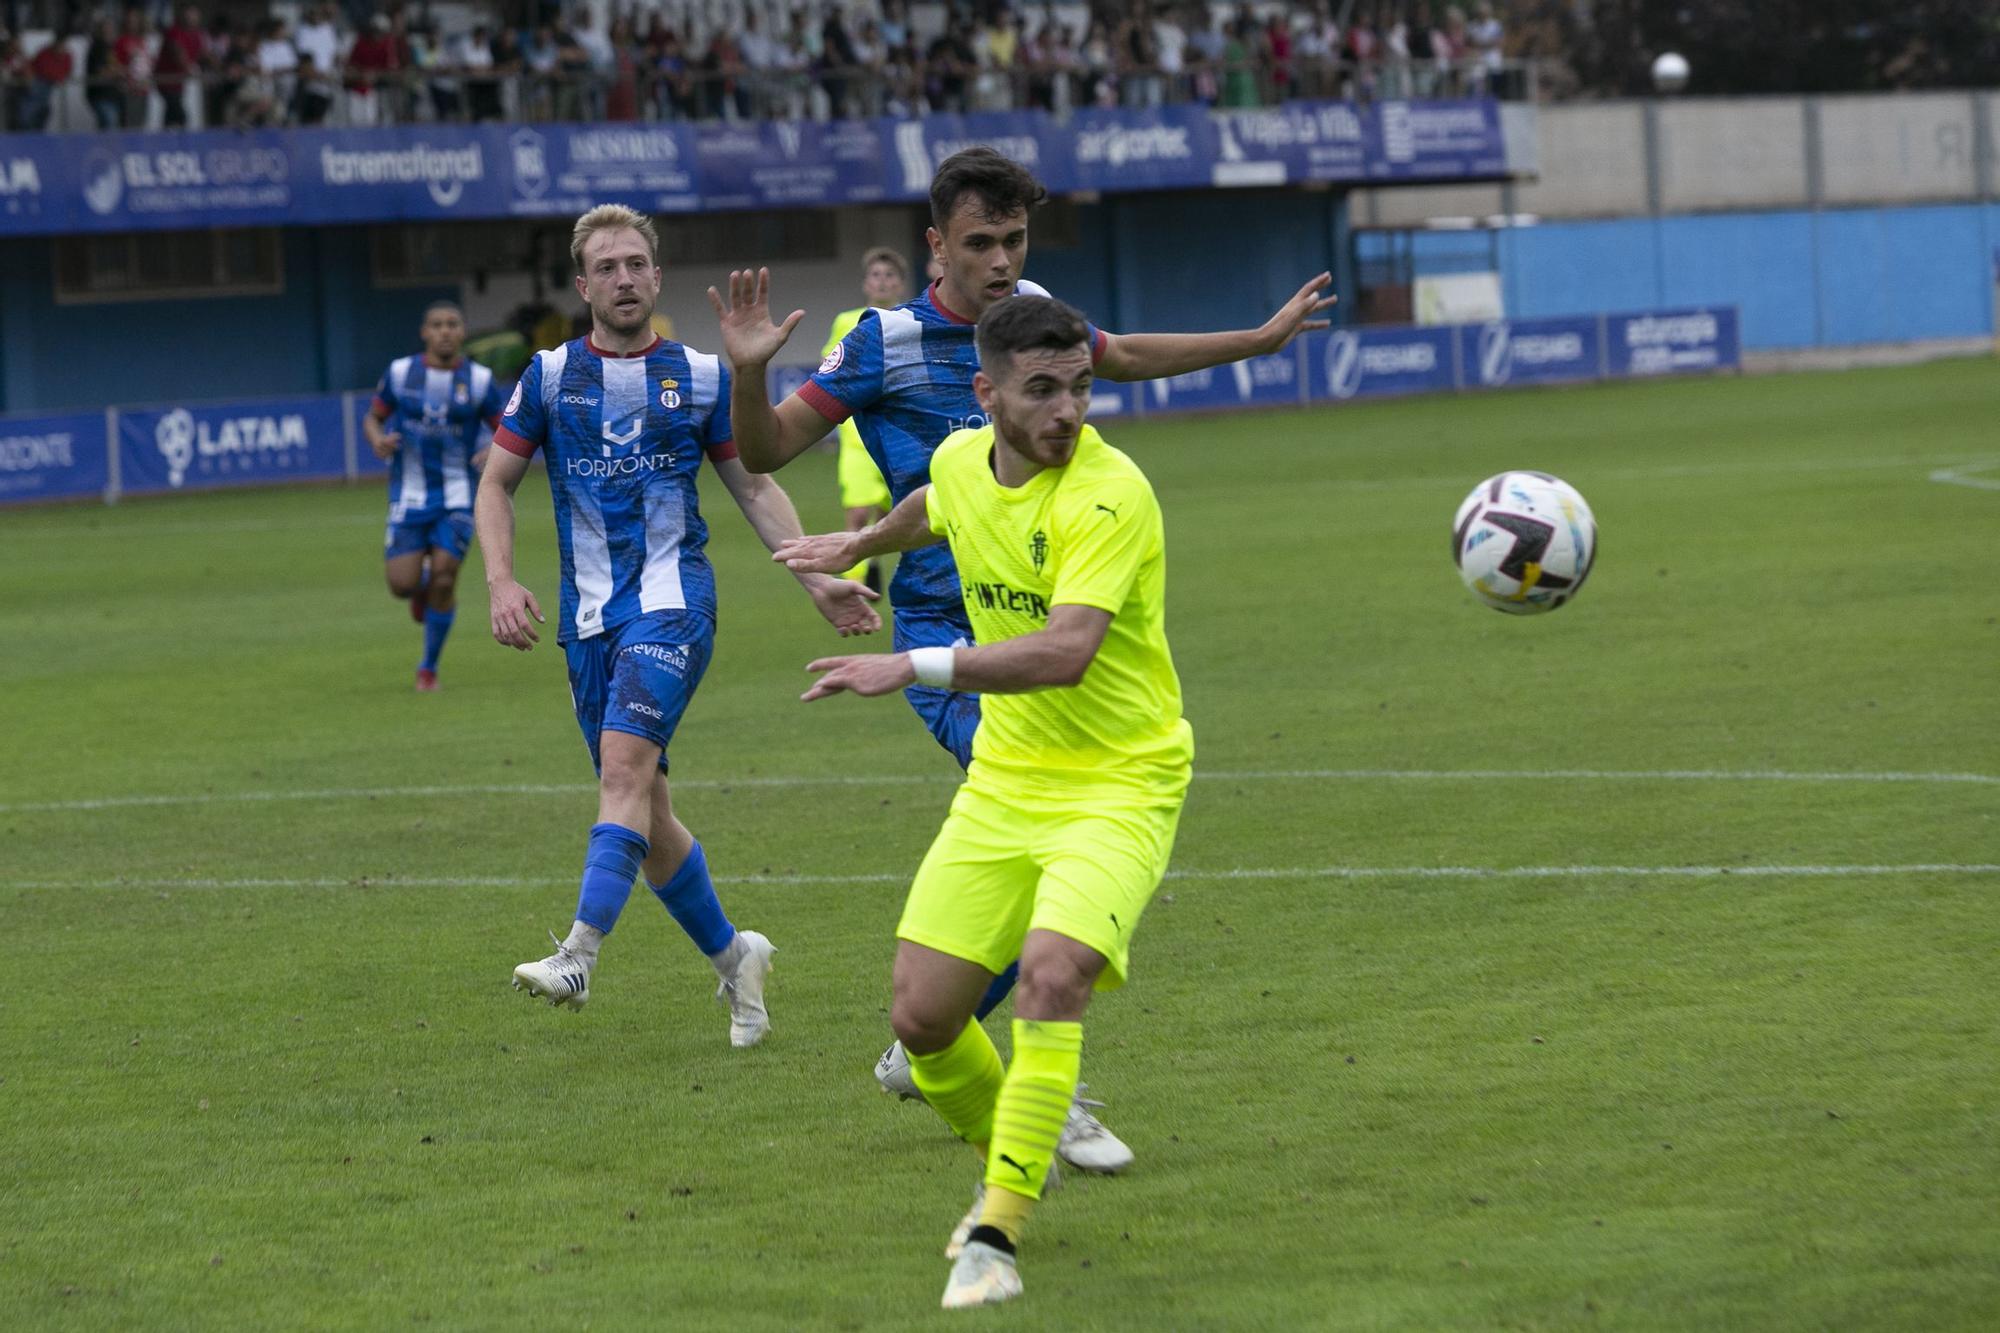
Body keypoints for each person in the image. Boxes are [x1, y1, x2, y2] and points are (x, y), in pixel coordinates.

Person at [710, 146, 1331, 1169]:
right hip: (954, 644)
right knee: (1040, 858)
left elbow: (1122, 352)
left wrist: (1256, 342)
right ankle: (1038, 1079)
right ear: (936, 244)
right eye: (981, 242)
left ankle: (940, 1041)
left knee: (1046, 867)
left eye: (1014, 241)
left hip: (1052, 628)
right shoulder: (883, 341)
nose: (1002, 262)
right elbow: (769, 447)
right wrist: (746, 372)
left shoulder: (1030, 321)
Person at [773, 294, 1191, 1309]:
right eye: (1041, 391)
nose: (1066, 412)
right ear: (987, 394)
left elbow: (1064, 652)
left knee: (1050, 975)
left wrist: (907, 666)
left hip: (1119, 781)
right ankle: (1018, 1136)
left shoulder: (1110, 493)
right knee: (921, 1020)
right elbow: (939, 505)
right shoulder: (962, 461)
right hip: (1006, 784)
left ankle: (994, 1230)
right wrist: (859, 540)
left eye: (1079, 388)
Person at [477, 204, 880, 1044]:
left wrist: (819, 576)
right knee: (648, 814)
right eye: (607, 267)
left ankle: (579, 952)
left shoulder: (698, 376)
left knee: (621, 769)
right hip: (588, 621)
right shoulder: (549, 377)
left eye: (637, 263)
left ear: (657, 278)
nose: (624, 278)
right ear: (583, 284)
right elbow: (496, 484)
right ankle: (738, 959)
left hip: (674, 604)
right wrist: (501, 580)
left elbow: (755, 486)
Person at [362, 301, 500, 692]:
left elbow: (507, 427)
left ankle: (428, 668)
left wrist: (492, 448)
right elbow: (373, 417)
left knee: (445, 577)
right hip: (409, 495)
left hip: (459, 495)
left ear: (462, 332)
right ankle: (417, 587)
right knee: (402, 586)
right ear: (424, 332)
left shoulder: (478, 380)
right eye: (437, 325)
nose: (444, 331)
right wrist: (378, 441)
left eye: (452, 324)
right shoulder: (401, 373)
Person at [823, 246, 907, 596]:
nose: (882, 281)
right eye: (876, 275)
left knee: (899, 517)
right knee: (857, 513)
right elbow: (831, 366)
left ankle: (878, 563)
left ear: (900, 284)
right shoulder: (848, 321)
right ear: (866, 283)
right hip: (858, 439)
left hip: (899, 434)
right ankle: (853, 586)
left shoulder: (909, 319)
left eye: (889, 275)